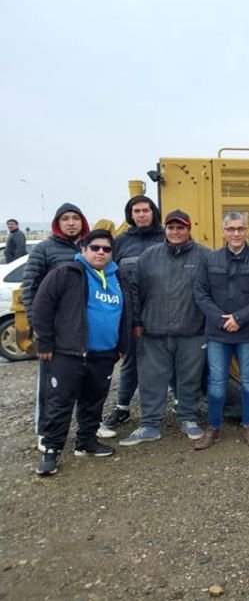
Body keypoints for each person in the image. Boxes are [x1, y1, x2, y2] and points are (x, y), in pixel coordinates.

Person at [31, 230, 128, 476]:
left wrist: (122, 347)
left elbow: (126, 313)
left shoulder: (118, 277)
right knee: (60, 402)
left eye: (106, 249)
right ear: (83, 249)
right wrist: (45, 343)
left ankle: (86, 442)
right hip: (69, 352)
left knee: (94, 401)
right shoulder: (65, 273)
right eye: (95, 248)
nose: (101, 253)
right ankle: (51, 450)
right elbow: (42, 307)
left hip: (104, 354)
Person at [120, 210, 210, 446]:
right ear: (165, 230)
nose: (175, 232)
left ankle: (188, 418)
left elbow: (212, 293)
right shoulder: (149, 256)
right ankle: (150, 424)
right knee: (151, 379)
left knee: (189, 378)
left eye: (180, 227)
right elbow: (135, 292)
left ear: (189, 229)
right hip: (153, 330)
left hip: (191, 330)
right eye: (171, 227)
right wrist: (137, 322)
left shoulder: (204, 256)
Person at [193, 212, 249, 450]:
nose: (236, 233)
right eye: (231, 229)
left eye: (240, 229)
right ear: (224, 231)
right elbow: (200, 292)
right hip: (218, 333)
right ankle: (213, 428)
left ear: (247, 231)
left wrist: (239, 318)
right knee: (216, 383)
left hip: (247, 332)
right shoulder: (210, 260)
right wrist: (221, 320)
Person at [21, 203, 90, 448]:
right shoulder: (44, 250)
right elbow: (30, 291)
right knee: (51, 386)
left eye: (75, 218)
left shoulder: (90, 248)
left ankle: (89, 426)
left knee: (86, 382)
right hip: (57, 333)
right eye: (65, 219)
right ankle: (45, 430)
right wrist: (40, 332)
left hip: (85, 331)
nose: (71, 223)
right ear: (57, 223)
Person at [99, 195, 165, 435]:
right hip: (131, 313)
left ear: (153, 212)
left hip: (165, 311)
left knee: (172, 360)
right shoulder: (120, 243)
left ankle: (181, 404)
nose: (141, 215)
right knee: (131, 362)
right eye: (136, 211)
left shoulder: (166, 236)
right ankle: (122, 406)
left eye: (145, 210)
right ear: (130, 215)